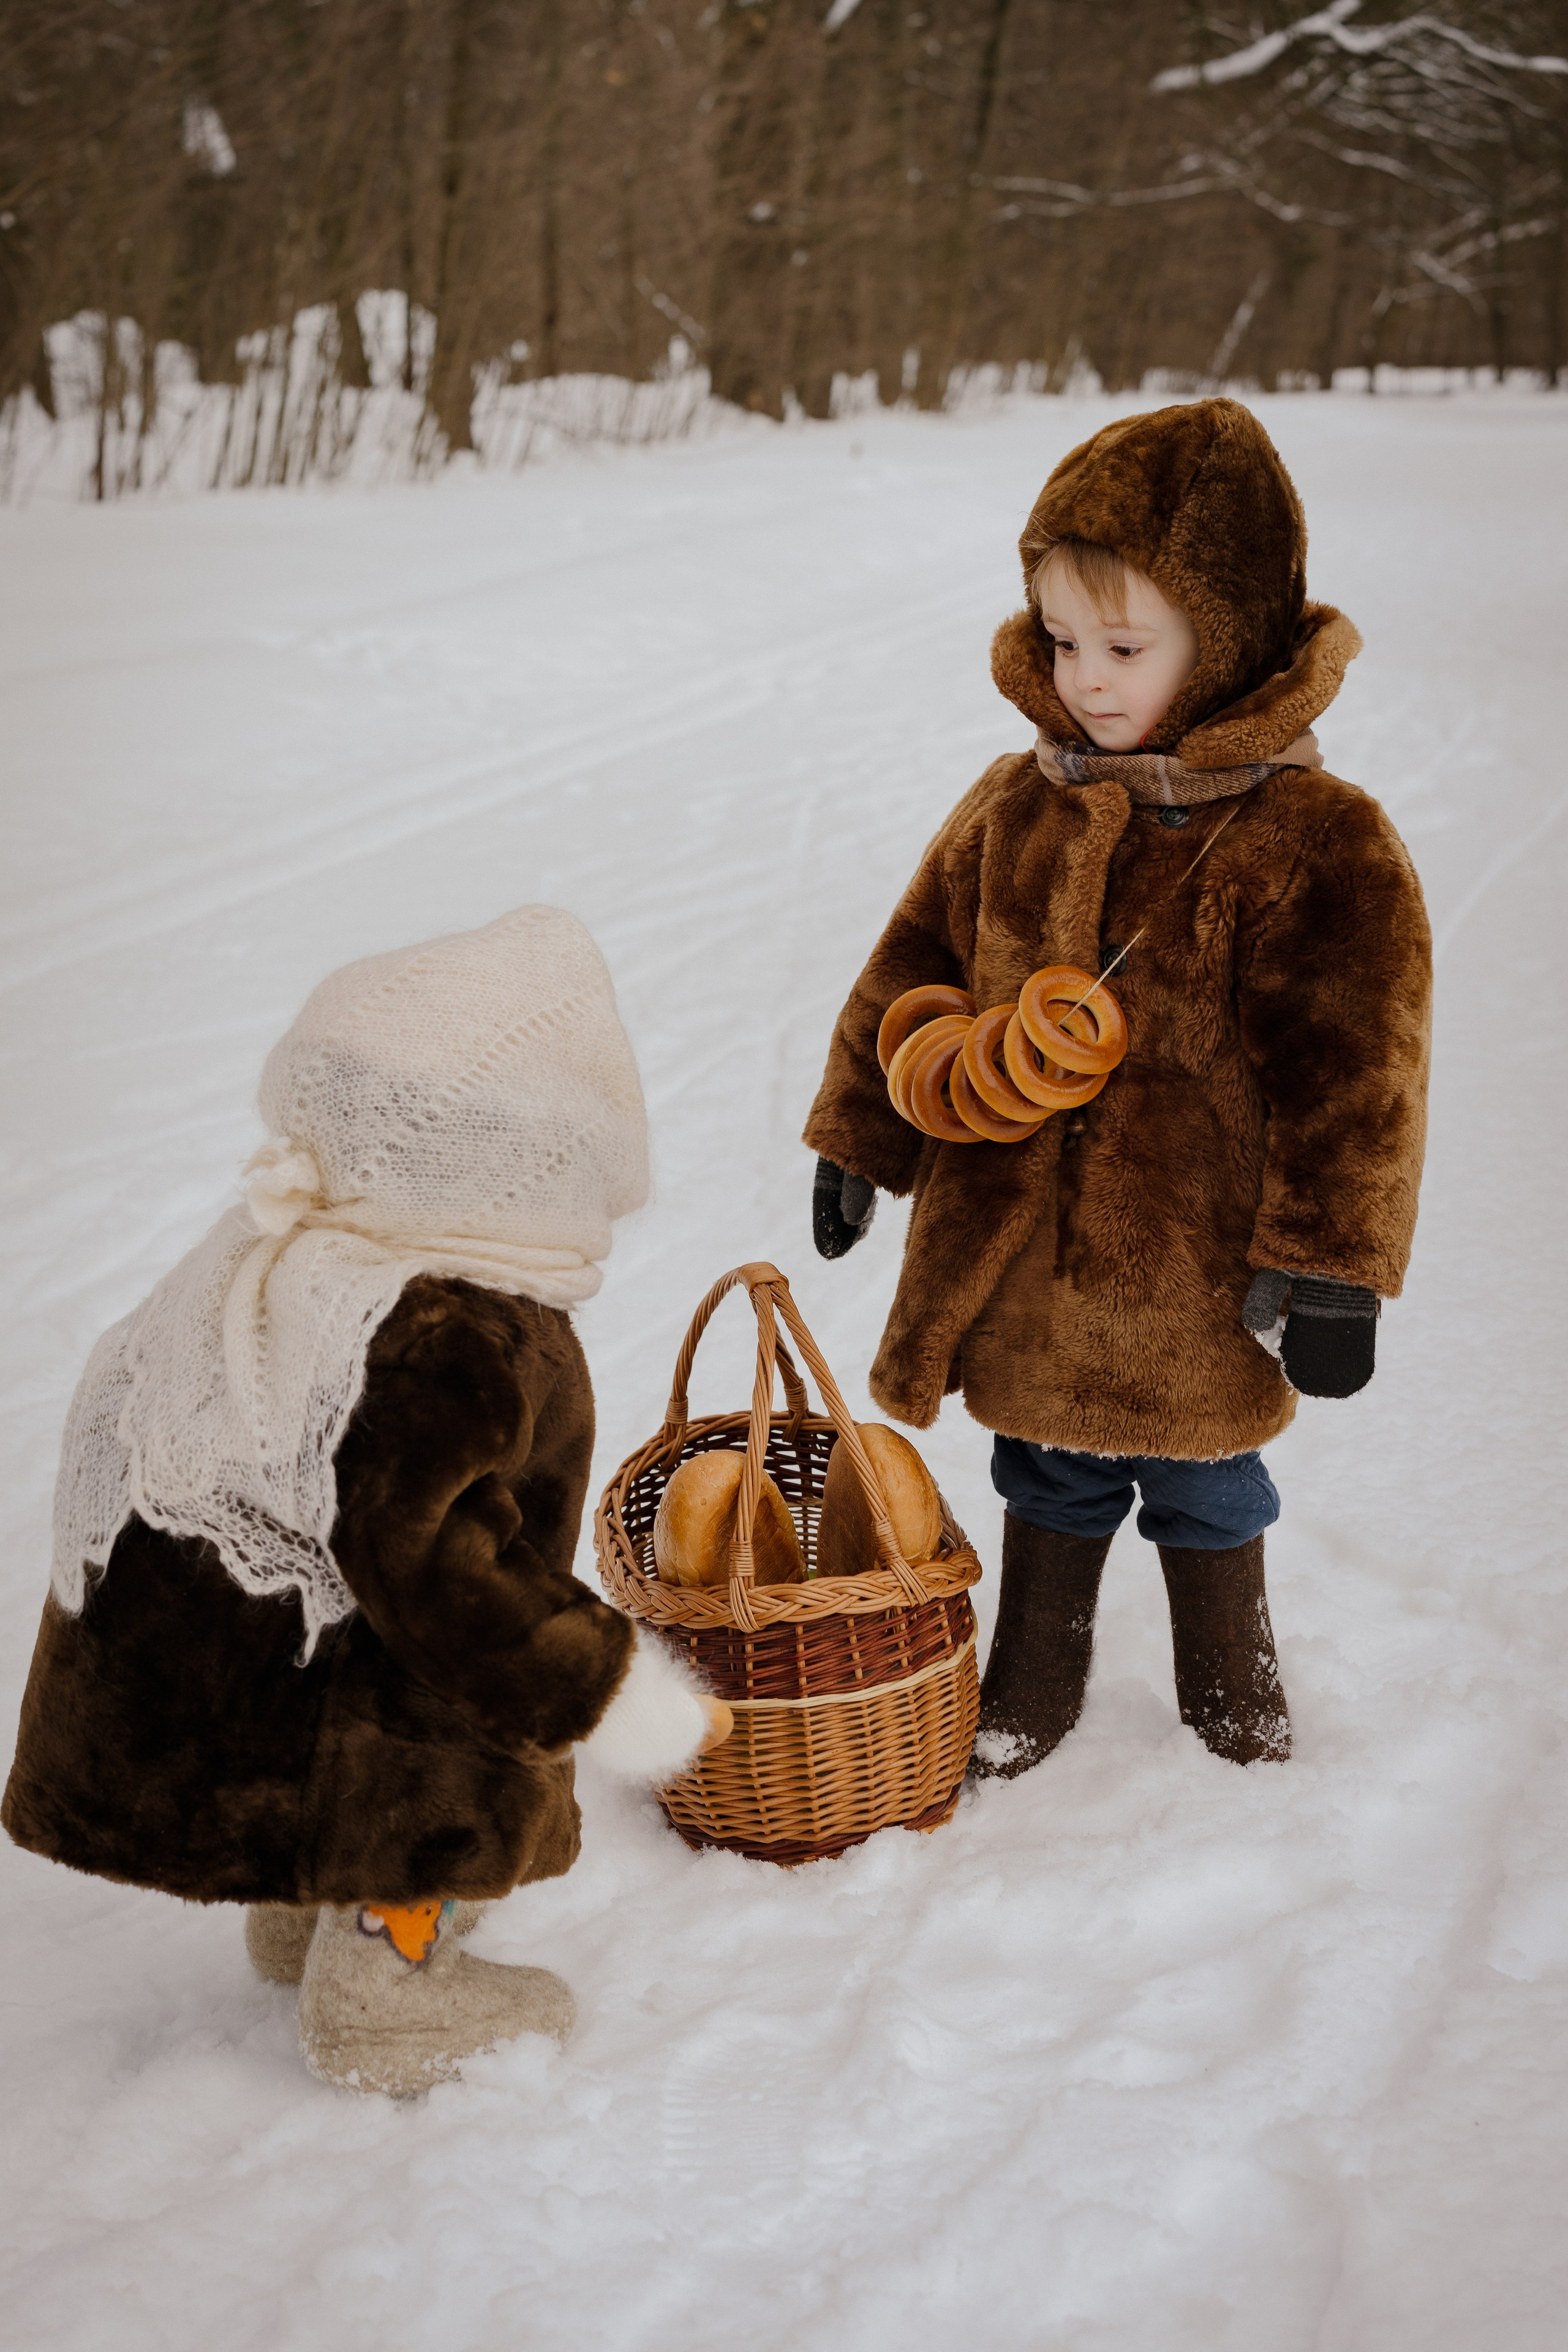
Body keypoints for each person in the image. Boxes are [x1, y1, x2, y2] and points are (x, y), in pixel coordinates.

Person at [804, 398, 1431, 1776]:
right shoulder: (1011, 803)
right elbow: (910, 962)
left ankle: (1231, 1681)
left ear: (1228, 639)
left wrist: (1332, 1268)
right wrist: (863, 1134)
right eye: (1063, 641)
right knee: (1045, 1462)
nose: (1086, 678)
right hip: (1020, 1239)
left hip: (1195, 1254)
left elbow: (1357, 1074)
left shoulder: (1315, 839)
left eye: (1125, 648)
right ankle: (1032, 1678)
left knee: (1201, 1475)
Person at [4, 905, 727, 2095]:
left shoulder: (285, 1257)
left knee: (356, 1660)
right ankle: (387, 1987)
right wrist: (601, 1682)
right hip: (321, 1671)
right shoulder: (444, 1328)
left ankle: (303, 1905)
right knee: (448, 1694)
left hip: (223, 1674)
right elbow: (435, 1565)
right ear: (520, 1165)